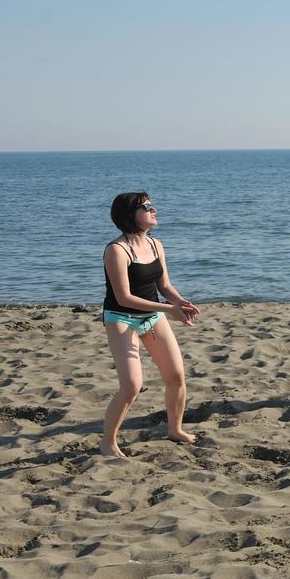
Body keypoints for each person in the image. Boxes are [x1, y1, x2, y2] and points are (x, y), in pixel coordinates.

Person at [100, 192, 199, 458]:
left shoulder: (155, 245)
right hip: (121, 318)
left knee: (176, 376)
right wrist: (170, 310)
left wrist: (181, 302)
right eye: (146, 207)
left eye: (152, 205)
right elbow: (124, 297)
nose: (154, 209)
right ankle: (108, 441)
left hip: (152, 316)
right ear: (129, 215)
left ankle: (174, 429)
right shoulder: (116, 250)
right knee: (132, 385)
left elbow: (163, 285)